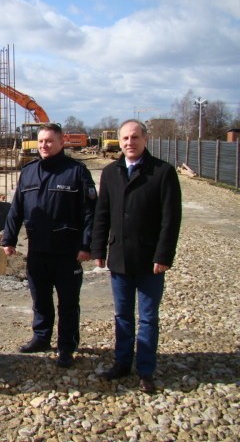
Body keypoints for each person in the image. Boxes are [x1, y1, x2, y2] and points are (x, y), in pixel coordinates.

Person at [91, 119, 182, 393]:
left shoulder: (162, 173)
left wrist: (163, 255)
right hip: (119, 257)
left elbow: (171, 219)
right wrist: (98, 249)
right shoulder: (110, 173)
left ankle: (145, 370)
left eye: (135, 137)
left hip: (150, 260)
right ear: (119, 142)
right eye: (125, 138)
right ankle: (121, 364)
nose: (130, 143)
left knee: (148, 317)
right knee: (122, 316)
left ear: (145, 139)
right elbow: (102, 214)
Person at [1, 123, 96, 368]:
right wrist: (8, 239)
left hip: (68, 251)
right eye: (41, 141)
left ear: (61, 142)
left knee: (67, 302)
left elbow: (89, 213)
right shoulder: (29, 172)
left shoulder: (76, 172)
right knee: (40, 298)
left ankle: (67, 346)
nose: (44, 145)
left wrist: (87, 246)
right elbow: (16, 209)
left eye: (50, 141)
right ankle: (41, 337)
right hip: (38, 249)